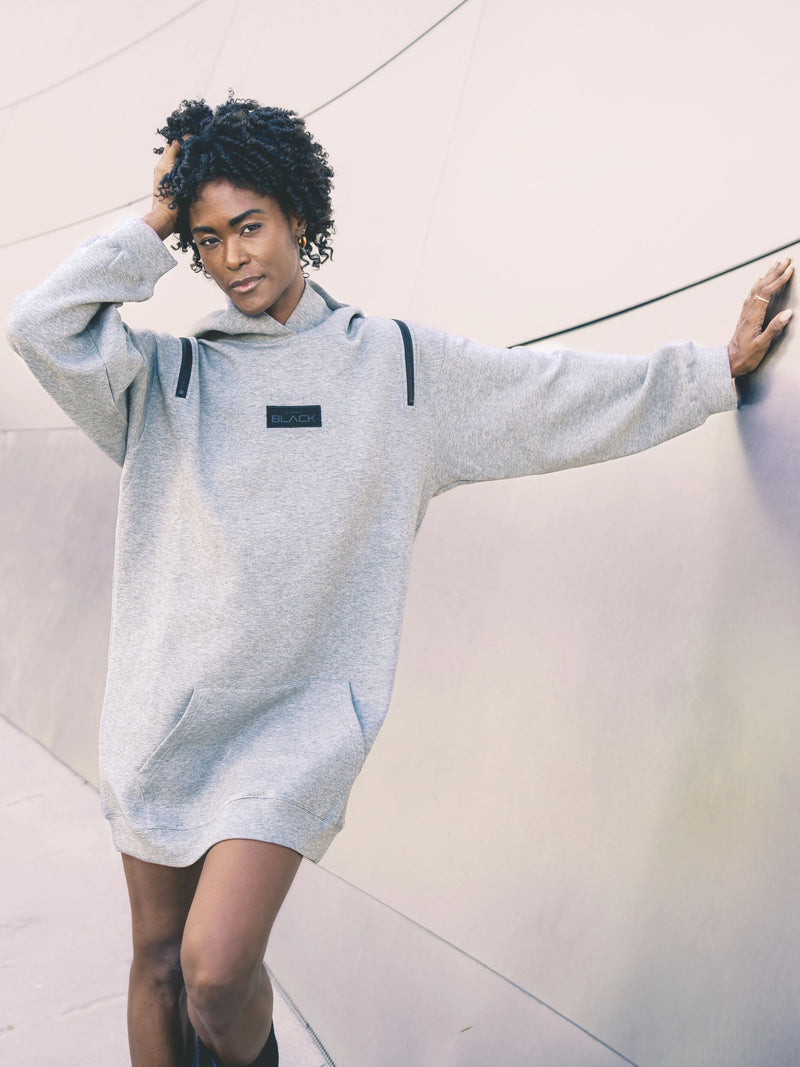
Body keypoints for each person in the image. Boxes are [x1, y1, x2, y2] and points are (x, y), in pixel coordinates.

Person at [6, 96, 793, 1067]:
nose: (232, 257)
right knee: (160, 965)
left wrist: (710, 372)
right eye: (206, 240)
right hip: (164, 716)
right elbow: (41, 325)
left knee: (214, 969)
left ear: (298, 216)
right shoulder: (165, 379)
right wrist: (157, 213)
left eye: (249, 226)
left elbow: (549, 394)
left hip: (295, 730)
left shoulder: (400, 371)